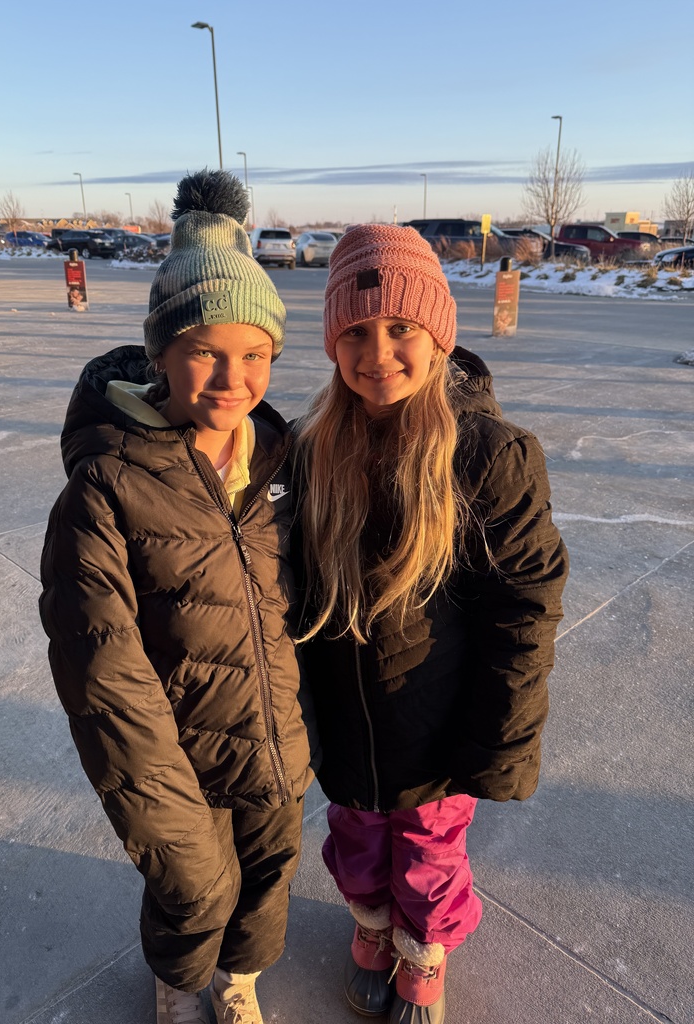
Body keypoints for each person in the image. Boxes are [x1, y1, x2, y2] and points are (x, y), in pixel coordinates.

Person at [39, 170, 318, 1024]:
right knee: (193, 890)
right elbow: (104, 676)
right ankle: (177, 977)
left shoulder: (281, 462)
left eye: (256, 355)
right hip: (175, 763)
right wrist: (165, 807)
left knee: (266, 881)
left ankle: (239, 980)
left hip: (274, 745)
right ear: (160, 351)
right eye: (205, 349)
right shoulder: (107, 489)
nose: (233, 378)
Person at [293, 224, 568, 1023]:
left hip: (439, 725)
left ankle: (425, 948)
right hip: (348, 721)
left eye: (401, 330)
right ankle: (372, 926)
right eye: (356, 333)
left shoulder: (489, 454)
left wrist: (500, 738)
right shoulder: (310, 450)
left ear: (437, 334)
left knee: (429, 853)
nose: (378, 353)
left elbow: (526, 606)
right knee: (355, 838)